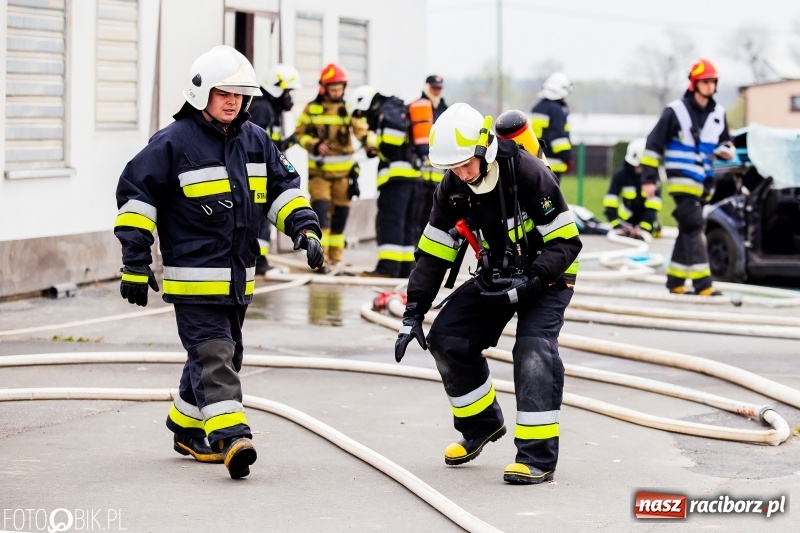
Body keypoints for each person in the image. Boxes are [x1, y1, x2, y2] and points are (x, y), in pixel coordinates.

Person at [113, 45, 324, 479]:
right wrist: (135, 262)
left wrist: (305, 230)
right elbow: (136, 200)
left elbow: (284, 190)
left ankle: (186, 427)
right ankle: (231, 437)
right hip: (193, 285)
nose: (233, 102)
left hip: (238, 280)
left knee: (225, 355)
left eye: (240, 95)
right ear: (200, 93)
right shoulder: (172, 144)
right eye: (223, 92)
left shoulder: (256, 140)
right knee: (215, 354)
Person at [394, 103, 582, 485]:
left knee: (532, 350)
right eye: (452, 168)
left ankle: (536, 459)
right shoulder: (453, 188)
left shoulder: (529, 173)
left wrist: (532, 282)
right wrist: (414, 309)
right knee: (447, 339)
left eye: (465, 164)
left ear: (485, 150)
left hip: (548, 275)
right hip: (498, 274)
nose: (461, 174)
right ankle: (481, 426)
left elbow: (566, 243)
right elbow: (434, 252)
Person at [641, 58, 734, 295]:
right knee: (695, 226)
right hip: (682, 183)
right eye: (705, 82)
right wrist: (649, 179)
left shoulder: (718, 114)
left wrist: (726, 150)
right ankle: (704, 284)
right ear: (694, 84)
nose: (710, 86)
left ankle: (676, 280)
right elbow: (653, 145)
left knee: (687, 228)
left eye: (713, 82)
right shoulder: (676, 111)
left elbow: (726, 142)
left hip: (705, 183)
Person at [294, 63, 369, 273]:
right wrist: (315, 144)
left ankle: (336, 258)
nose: (336, 92)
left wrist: (370, 145)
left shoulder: (350, 109)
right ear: (324, 87)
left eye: (339, 88)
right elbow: (299, 134)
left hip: (344, 176)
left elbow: (361, 130)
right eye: (332, 88)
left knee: (341, 216)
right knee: (320, 214)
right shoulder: (312, 108)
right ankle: (320, 259)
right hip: (319, 175)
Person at [348, 85, 421, 278]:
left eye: (363, 113)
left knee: (389, 222)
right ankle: (406, 269)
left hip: (396, 179)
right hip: (411, 178)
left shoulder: (387, 111)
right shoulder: (395, 109)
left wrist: (373, 143)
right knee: (405, 224)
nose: (364, 118)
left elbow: (390, 142)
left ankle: (388, 268)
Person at [248, 64, 302, 275]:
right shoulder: (262, 108)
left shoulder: (271, 110)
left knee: (264, 221)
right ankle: (258, 262)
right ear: (277, 88)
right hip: (257, 175)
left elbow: (271, 146)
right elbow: (255, 143)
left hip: (265, 173)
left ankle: (260, 261)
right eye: (288, 92)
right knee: (259, 220)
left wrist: (290, 141)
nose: (290, 98)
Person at [409, 74, 449, 242]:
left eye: (439, 88)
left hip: (439, 180)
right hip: (420, 178)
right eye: (433, 87)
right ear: (426, 87)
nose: (436, 91)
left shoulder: (446, 110)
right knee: (416, 220)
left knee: (434, 222)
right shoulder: (416, 108)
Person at [602, 138, 662, 239]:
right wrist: (615, 224)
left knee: (654, 228)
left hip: (647, 220)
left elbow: (653, 205)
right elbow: (611, 200)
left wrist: (644, 228)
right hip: (625, 220)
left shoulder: (653, 178)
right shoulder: (621, 175)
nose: (638, 168)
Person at [530, 72, 573, 182]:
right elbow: (558, 138)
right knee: (551, 197)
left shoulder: (538, 107)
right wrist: (567, 158)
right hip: (553, 164)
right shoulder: (557, 110)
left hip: (535, 161)